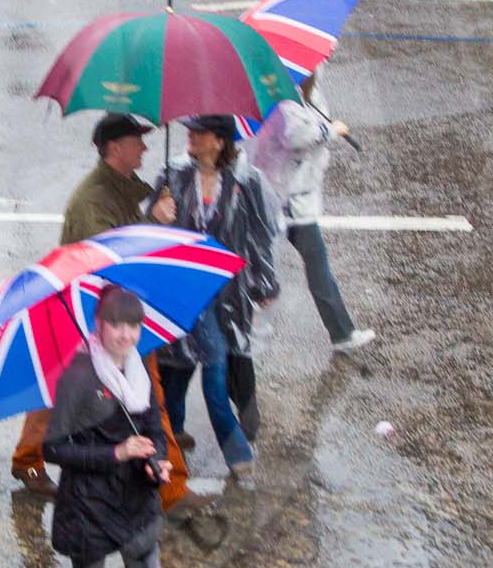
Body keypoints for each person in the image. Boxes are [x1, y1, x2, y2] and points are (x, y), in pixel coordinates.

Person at [12, 114, 189, 504]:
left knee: (63, 388)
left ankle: (28, 460)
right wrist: (151, 220)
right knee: (138, 396)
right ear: (114, 148)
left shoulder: (123, 189)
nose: (144, 147)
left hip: (110, 311)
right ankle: (171, 489)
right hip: (95, 314)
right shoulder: (94, 199)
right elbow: (106, 259)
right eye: (135, 141)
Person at [45, 284, 193, 568]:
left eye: (133, 326)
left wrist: (157, 461)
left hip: (136, 504)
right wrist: (117, 452)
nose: (126, 336)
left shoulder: (140, 370)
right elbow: (54, 448)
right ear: (99, 325)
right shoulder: (78, 375)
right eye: (117, 326)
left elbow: (153, 427)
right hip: (89, 505)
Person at [150, 117, 281, 481]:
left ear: (220, 141)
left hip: (226, 295)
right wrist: (157, 212)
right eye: (190, 130)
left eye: (200, 131)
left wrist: (264, 285)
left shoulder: (246, 180)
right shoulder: (173, 174)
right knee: (182, 370)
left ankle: (201, 444)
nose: (190, 135)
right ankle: (202, 448)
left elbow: (261, 235)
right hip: (182, 292)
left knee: (201, 373)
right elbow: (149, 227)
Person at [250, 73, 375, 354]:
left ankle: (341, 332)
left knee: (306, 267)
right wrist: (331, 130)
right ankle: (340, 333)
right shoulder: (279, 99)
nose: (315, 73)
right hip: (286, 201)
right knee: (305, 267)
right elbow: (295, 135)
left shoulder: (311, 95)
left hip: (298, 198)